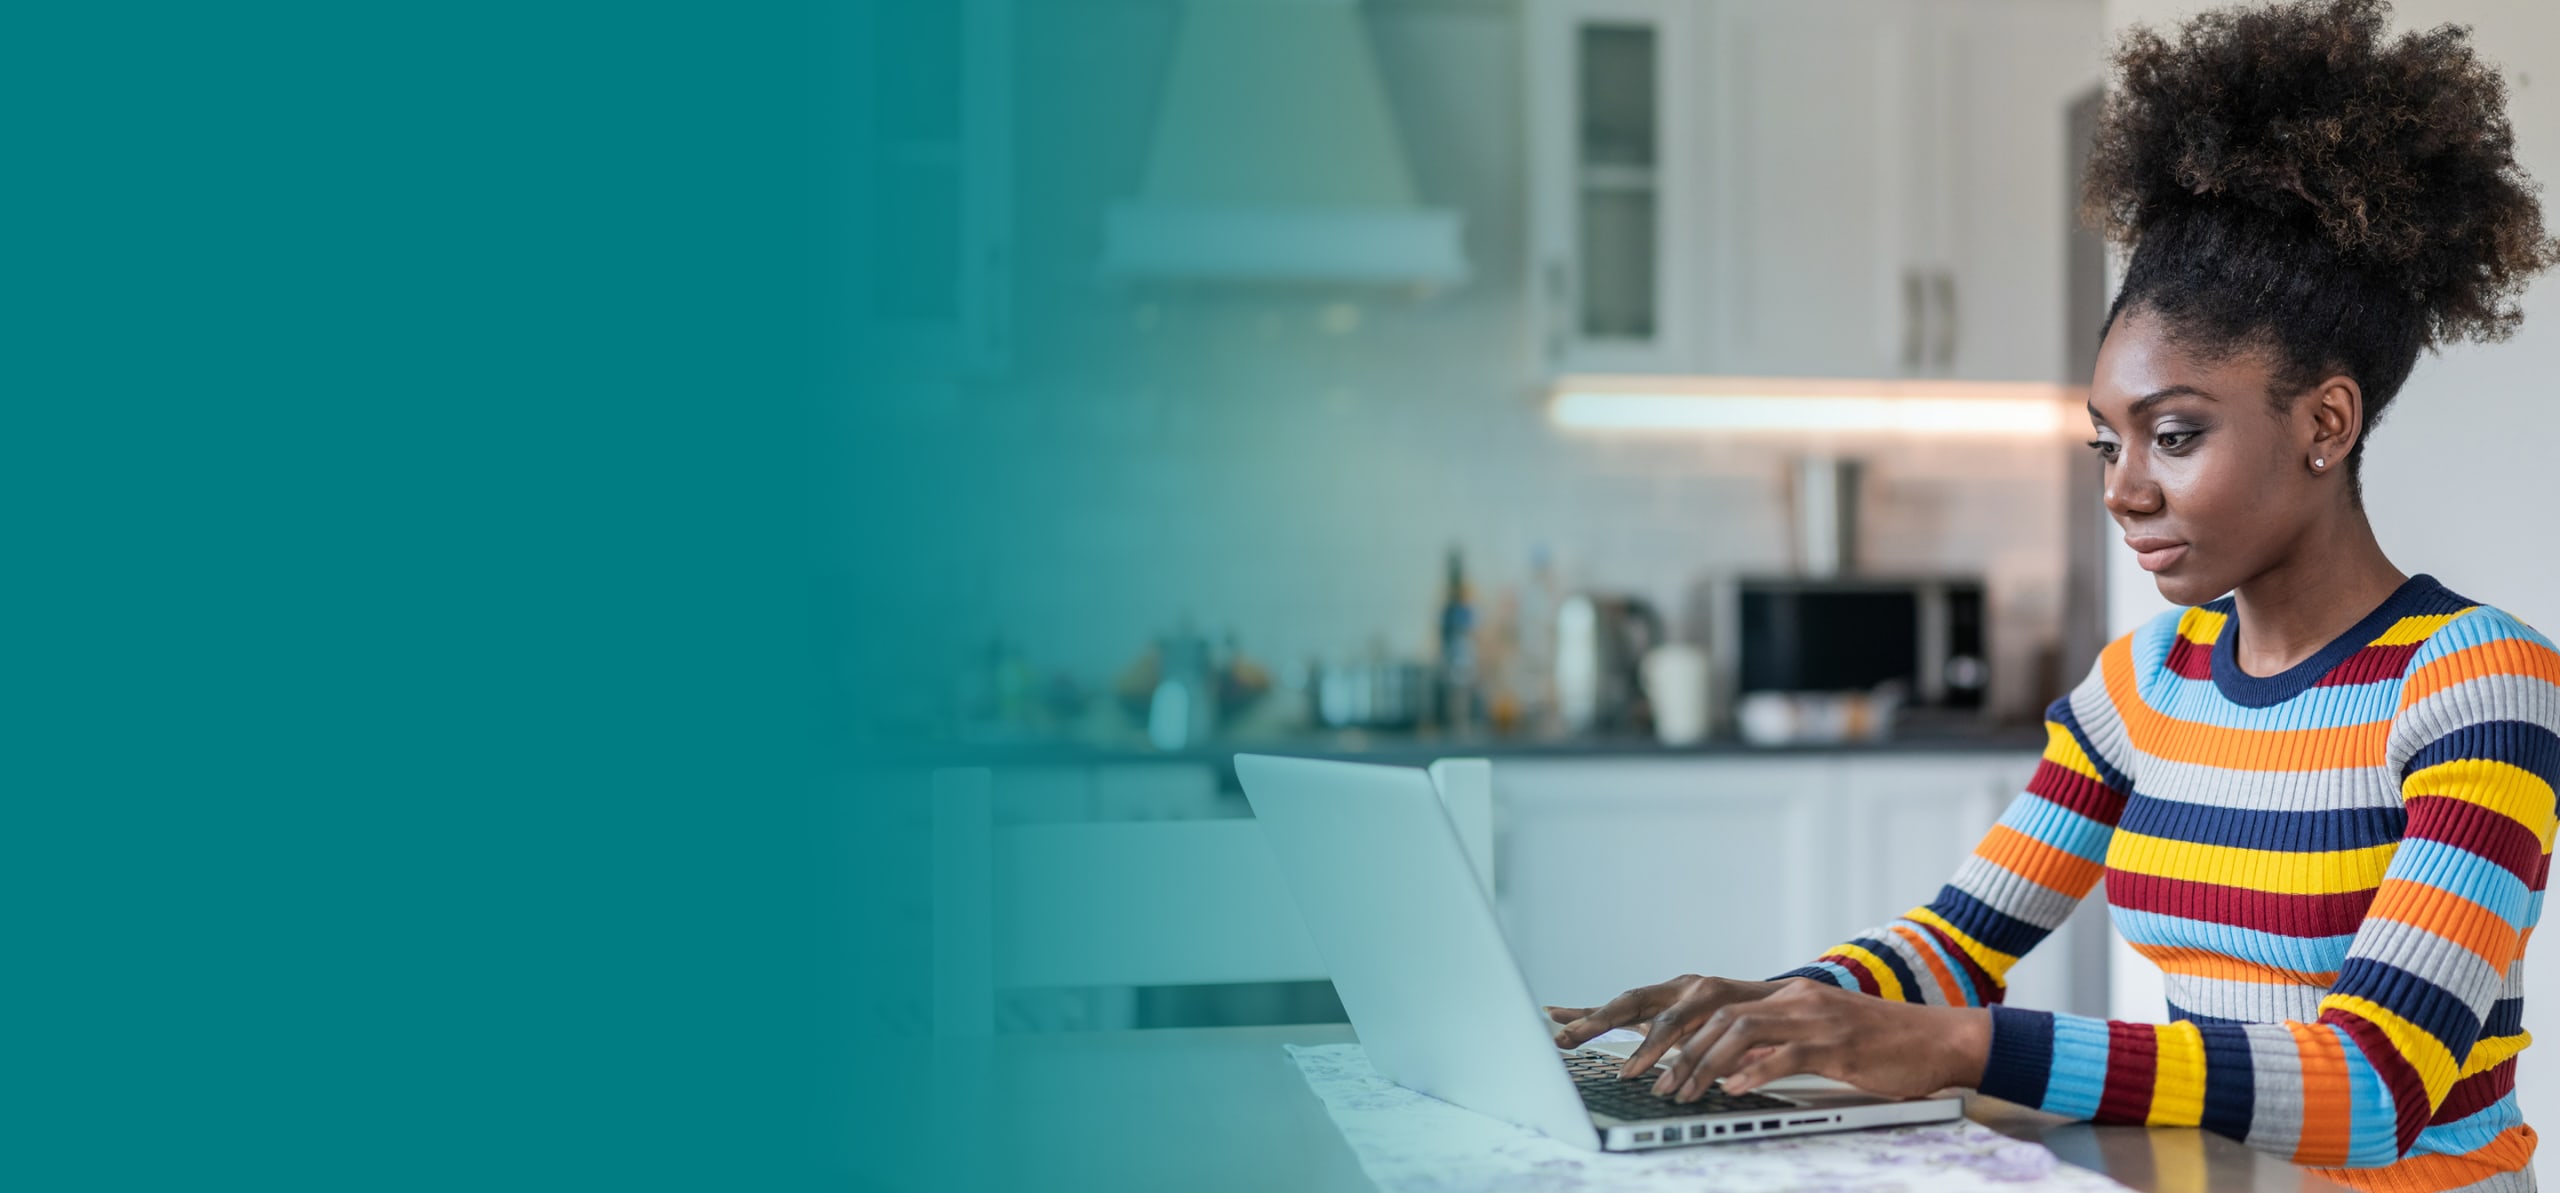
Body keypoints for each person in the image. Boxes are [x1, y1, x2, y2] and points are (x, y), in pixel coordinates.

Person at [1547, 2, 2560, 1189]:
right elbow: (1955, 944)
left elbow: (2373, 1087)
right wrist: (1786, 1004)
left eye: (2173, 434)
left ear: (2322, 423)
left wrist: (1966, 1047)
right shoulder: (2144, 683)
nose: (2123, 489)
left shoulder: (2477, 684)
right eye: (2104, 443)